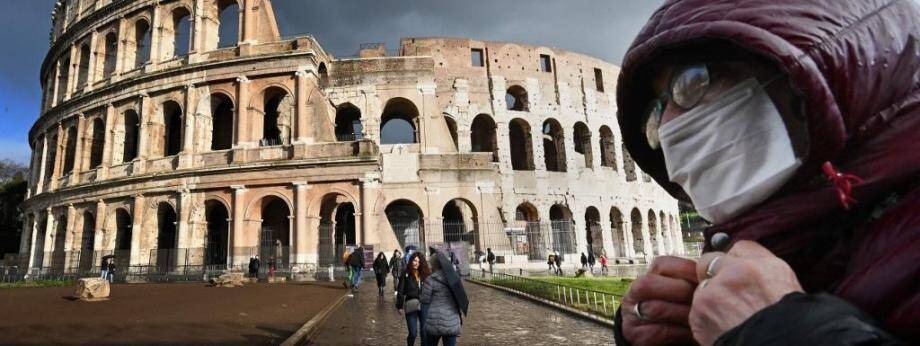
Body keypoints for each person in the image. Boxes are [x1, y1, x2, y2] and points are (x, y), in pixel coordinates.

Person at [613, 1, 919, 344]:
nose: (667, 126)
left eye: (692, 79)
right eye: (656, 112)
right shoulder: (784, 241)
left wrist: (778, 331)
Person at [421, 253, 464, 346]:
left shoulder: (430, 280)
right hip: (451, 322)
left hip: (434, 322)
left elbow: (424, 300)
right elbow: (460, 297)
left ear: (433, 264)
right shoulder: (454, 278)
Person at [396, 252, 431, 346]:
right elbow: (400, 290)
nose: (416, 263)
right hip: (411, 304)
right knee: (413, 333)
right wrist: (399, 306)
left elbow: (430, 289)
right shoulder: (405, 273)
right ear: (411, 261)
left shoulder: (425, 274)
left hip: (424, 305)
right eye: (415, 261)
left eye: (418, 262)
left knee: (424, 332)